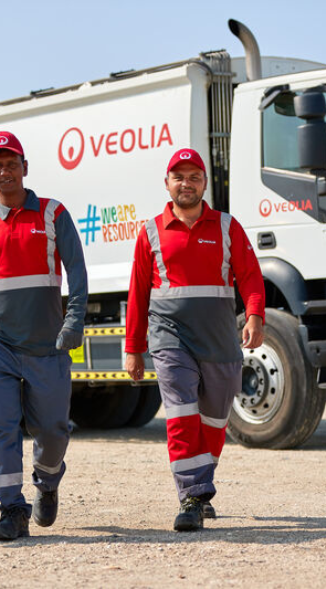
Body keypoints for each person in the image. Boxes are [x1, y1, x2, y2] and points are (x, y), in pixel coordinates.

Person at [0, 131, 88, 541]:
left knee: (53, 430)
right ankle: (12, 508)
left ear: (25, 168)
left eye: (12, 164)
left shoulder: (52, 213)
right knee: (2, 425)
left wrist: (74, 322)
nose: (5, 171)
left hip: (48, 346)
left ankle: (47, 481)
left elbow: (77, 275)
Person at [125, 148, 265, 531]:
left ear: (204, 182)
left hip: (219, 339)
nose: (186, 183)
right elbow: (138, 292)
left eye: (194, 177)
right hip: (169, 336)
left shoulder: (226, 226)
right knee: (181, 409)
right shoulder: (151, 230)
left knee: (214, 420)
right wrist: (134, 348)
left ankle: (201, 478)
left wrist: (254, 315)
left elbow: (250, 276)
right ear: (167, 183)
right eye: (178, 176)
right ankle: (191, 496)